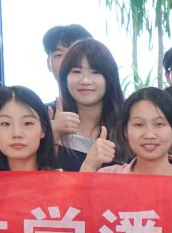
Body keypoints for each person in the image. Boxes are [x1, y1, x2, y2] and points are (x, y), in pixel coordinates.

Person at [89, 86, 172, 180]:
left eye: (159, 124)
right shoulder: (108, 178)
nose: (149, 135)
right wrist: (88, 166)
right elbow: (81, 202)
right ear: (125, 131)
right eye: (139, 125)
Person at [52, 37, 126, 170]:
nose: (85, 80)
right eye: (76, 71)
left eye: (95, 72)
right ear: (64, 77)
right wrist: (52, 135)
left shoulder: (127, 124)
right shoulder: (50, 119)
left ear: (110, 78)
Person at [0, 85, 62, 171]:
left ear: (43, 130)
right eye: (6, 124)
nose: (17, 134)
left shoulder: (61, 179)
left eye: (27, 123)